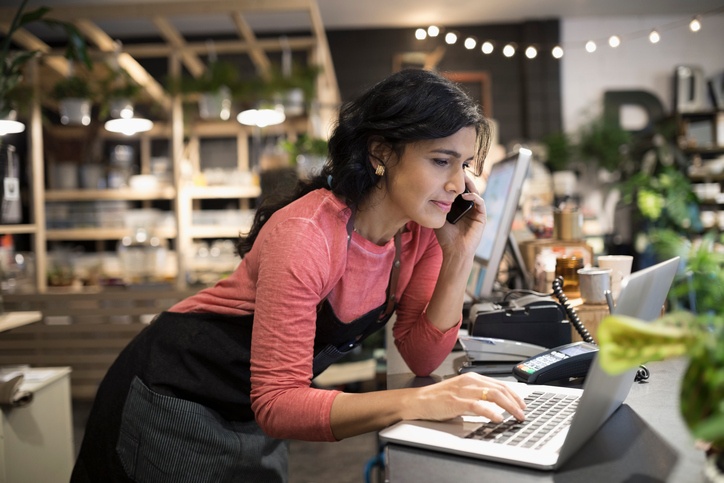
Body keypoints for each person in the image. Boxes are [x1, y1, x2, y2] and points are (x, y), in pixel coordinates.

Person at [71, 68, 526, 483]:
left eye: (464, 165)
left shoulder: (421, 234)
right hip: (176, 396)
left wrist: (460, 255)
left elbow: (422, 356)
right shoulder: (307, 234)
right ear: (381, 153)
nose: (457, 184)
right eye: (441, 161)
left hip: (250, 408)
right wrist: (416, 402)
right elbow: (278, 402)